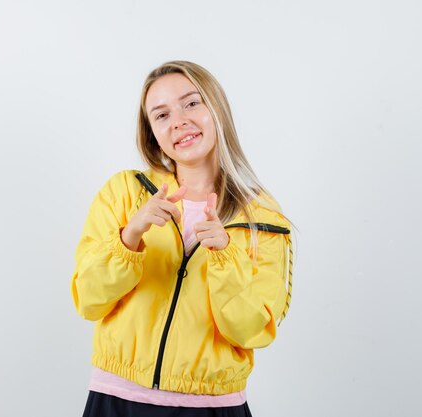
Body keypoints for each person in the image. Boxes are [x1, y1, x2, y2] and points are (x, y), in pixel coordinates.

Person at [70, 60, 294, 417]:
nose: (178, 121)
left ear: (216, 108)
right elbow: (88, 301)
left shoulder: (264, 220)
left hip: (211, 408)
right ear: (152, 133)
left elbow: (252, 332)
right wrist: (131, 236)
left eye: (191, 103)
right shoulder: (124, 193)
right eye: (161, 115)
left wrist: (224, 255)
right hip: (116, 401)